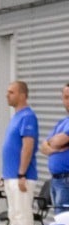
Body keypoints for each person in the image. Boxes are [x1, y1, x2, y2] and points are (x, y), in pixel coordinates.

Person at [2, 81, 38, 225]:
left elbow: (28, 146)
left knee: (23, 215)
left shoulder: (28, 117)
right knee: (14, 215)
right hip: (11, 176)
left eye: (11, 92)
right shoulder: (15, 117)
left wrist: (22, 173)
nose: (7, 95)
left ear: (22, 95)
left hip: (22, 177)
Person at [40, 83, 69, 215]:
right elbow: (43, 147)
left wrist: (53, 143)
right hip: (56, 180)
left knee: (64, 222)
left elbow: (58, 141)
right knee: (59, 221)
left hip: (66, 180)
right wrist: (55, 147)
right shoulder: (62, 122)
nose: (67, 101)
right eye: (65, 97)